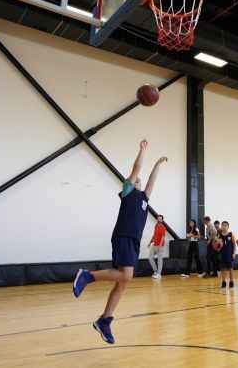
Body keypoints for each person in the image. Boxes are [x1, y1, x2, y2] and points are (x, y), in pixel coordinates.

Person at [72, 140, 167, 344]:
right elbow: (137, 168)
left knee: (123, 281)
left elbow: (151, 182)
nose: (139, 181)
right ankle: (87, 276)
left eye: (139, 181)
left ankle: (105, 320)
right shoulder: (127, 192)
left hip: (133, 241)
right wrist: (142, 150)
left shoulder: (144, 198)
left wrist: (158, 165)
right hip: (123, 235)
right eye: (136, 180)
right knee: (127, 275)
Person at [148, 214, 166, 279]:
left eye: (160, 219)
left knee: (159, 260)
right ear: (157, 219)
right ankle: (155, 271)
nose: (159, 220)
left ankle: (159, 274)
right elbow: (154, 235)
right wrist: (150, 242)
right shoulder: (156, 226)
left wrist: (160, 245)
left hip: (160, 246)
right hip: (154, 245)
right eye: (158, 218)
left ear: (162, 220)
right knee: (150, 258)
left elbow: (163, 237)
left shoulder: (163, 227)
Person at [219, 221, 235, 289]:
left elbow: (234, 244)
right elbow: (217, 245)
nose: (224, 227)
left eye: (225, 225)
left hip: (229, 254)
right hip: (222, 254)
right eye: (223, 225)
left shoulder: (231, 234)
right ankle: (223, 282)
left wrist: (234, 253)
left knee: (230, 269)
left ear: (228, 227)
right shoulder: (219, 235)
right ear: (221, 226)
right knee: (223, 269)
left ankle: (231, 281)